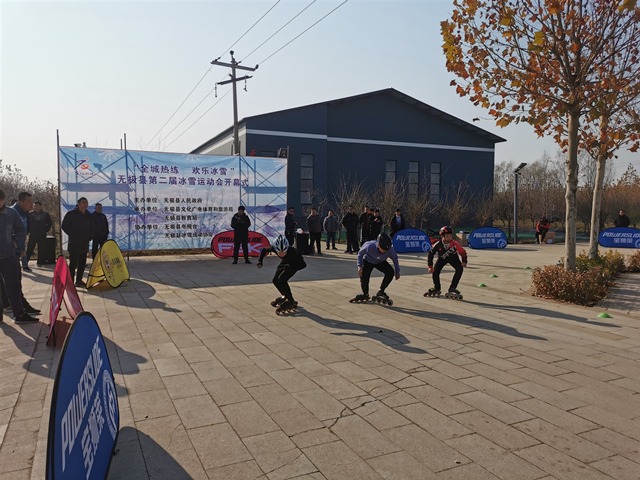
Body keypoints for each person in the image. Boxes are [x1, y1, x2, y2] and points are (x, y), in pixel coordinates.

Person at [0, 189, 38, 323]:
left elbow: (21, 230)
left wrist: (15, 244)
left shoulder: (11, 214)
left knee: (13, 285)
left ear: (2, 200)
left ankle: (20, 314)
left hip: (8, 256)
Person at [257, 235, 307, 313]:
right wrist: (260, 261)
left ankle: (290, 300)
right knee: (275, 280)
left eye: (284, 252)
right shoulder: (273, 248)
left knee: (282, 280)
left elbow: (303, 265)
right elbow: (263, 250)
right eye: (279, 252)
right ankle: (286, 296)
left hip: (295, 264)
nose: (281, 254)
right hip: (285, 262)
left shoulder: (294, 252)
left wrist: (290, 268)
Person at [350, 232, 400, 305]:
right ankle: (365, 294)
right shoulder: (369, 246)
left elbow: (395, 259)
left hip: (380, 262)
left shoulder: (390, 249)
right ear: (378, 245)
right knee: (364, 277)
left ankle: (381, 290)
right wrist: (359, 266)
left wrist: (397, 271)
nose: (385, 251)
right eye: (383, 249)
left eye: (386, 250)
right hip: (368, 261)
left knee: (390, 272)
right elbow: (360, 254)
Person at [425, 226, 467, 299]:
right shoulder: (438, 244)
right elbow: (430, 254)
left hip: (453, 258)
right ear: (442, 236)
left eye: (450, 236)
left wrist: (464, 261)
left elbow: (462, 252)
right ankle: (437, 288)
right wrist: (430, 266)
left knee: (459, 269)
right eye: (447, 236)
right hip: (442, 259)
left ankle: (452, 288)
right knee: (435, 271)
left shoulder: (455, 243)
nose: (449, 238)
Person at [61, 197, 95, 287]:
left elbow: (92, 227)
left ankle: (79, 280)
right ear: (78, 204)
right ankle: (70, 282)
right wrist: (73, 234)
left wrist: (90, 236)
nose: (85, 204)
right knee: (73, 263)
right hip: (74, 243)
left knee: (82, 263)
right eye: (83, 202)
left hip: (84, 243)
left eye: (86, 202)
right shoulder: (71, 214)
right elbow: (64, 226)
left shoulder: (88, 215)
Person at [26, 201, 52, 268]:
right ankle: (25, 262)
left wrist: (46, 229)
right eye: (34, 206)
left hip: (42, 234)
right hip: (33, 234)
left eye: (37, 206)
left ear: (40, 207)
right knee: (30, 248)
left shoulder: (45, 214)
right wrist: (28, 231)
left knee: (41, 249)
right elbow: (27, 223)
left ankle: (40, 262)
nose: (36, 207)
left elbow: (49, 223)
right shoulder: (29, 214)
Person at [12, 192, 33, 272]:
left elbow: (21, 233)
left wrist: (21, 248)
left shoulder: (23, 214)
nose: (31, 204)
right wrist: (14, 245)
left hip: (17, 249)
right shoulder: (12, 213)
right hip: (10, 252)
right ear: (20, 202)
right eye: (28, 201)